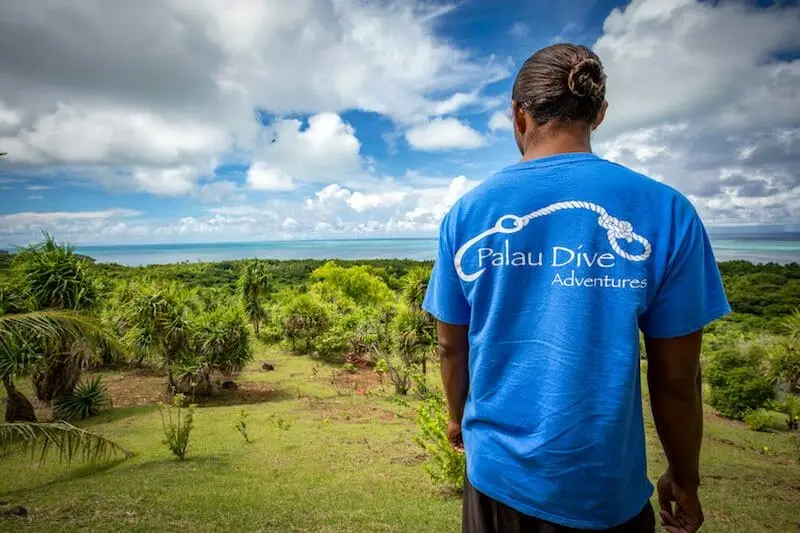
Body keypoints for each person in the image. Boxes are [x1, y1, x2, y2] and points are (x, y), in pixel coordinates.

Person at [422, 43, 730, 533]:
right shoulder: (668, 210)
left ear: (518, 114)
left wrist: (457, 417)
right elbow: (676, 378)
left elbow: (450, 346)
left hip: (497, 481)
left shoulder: (468, 213)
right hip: (607, 495)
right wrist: (684, 476)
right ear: (599, 113)